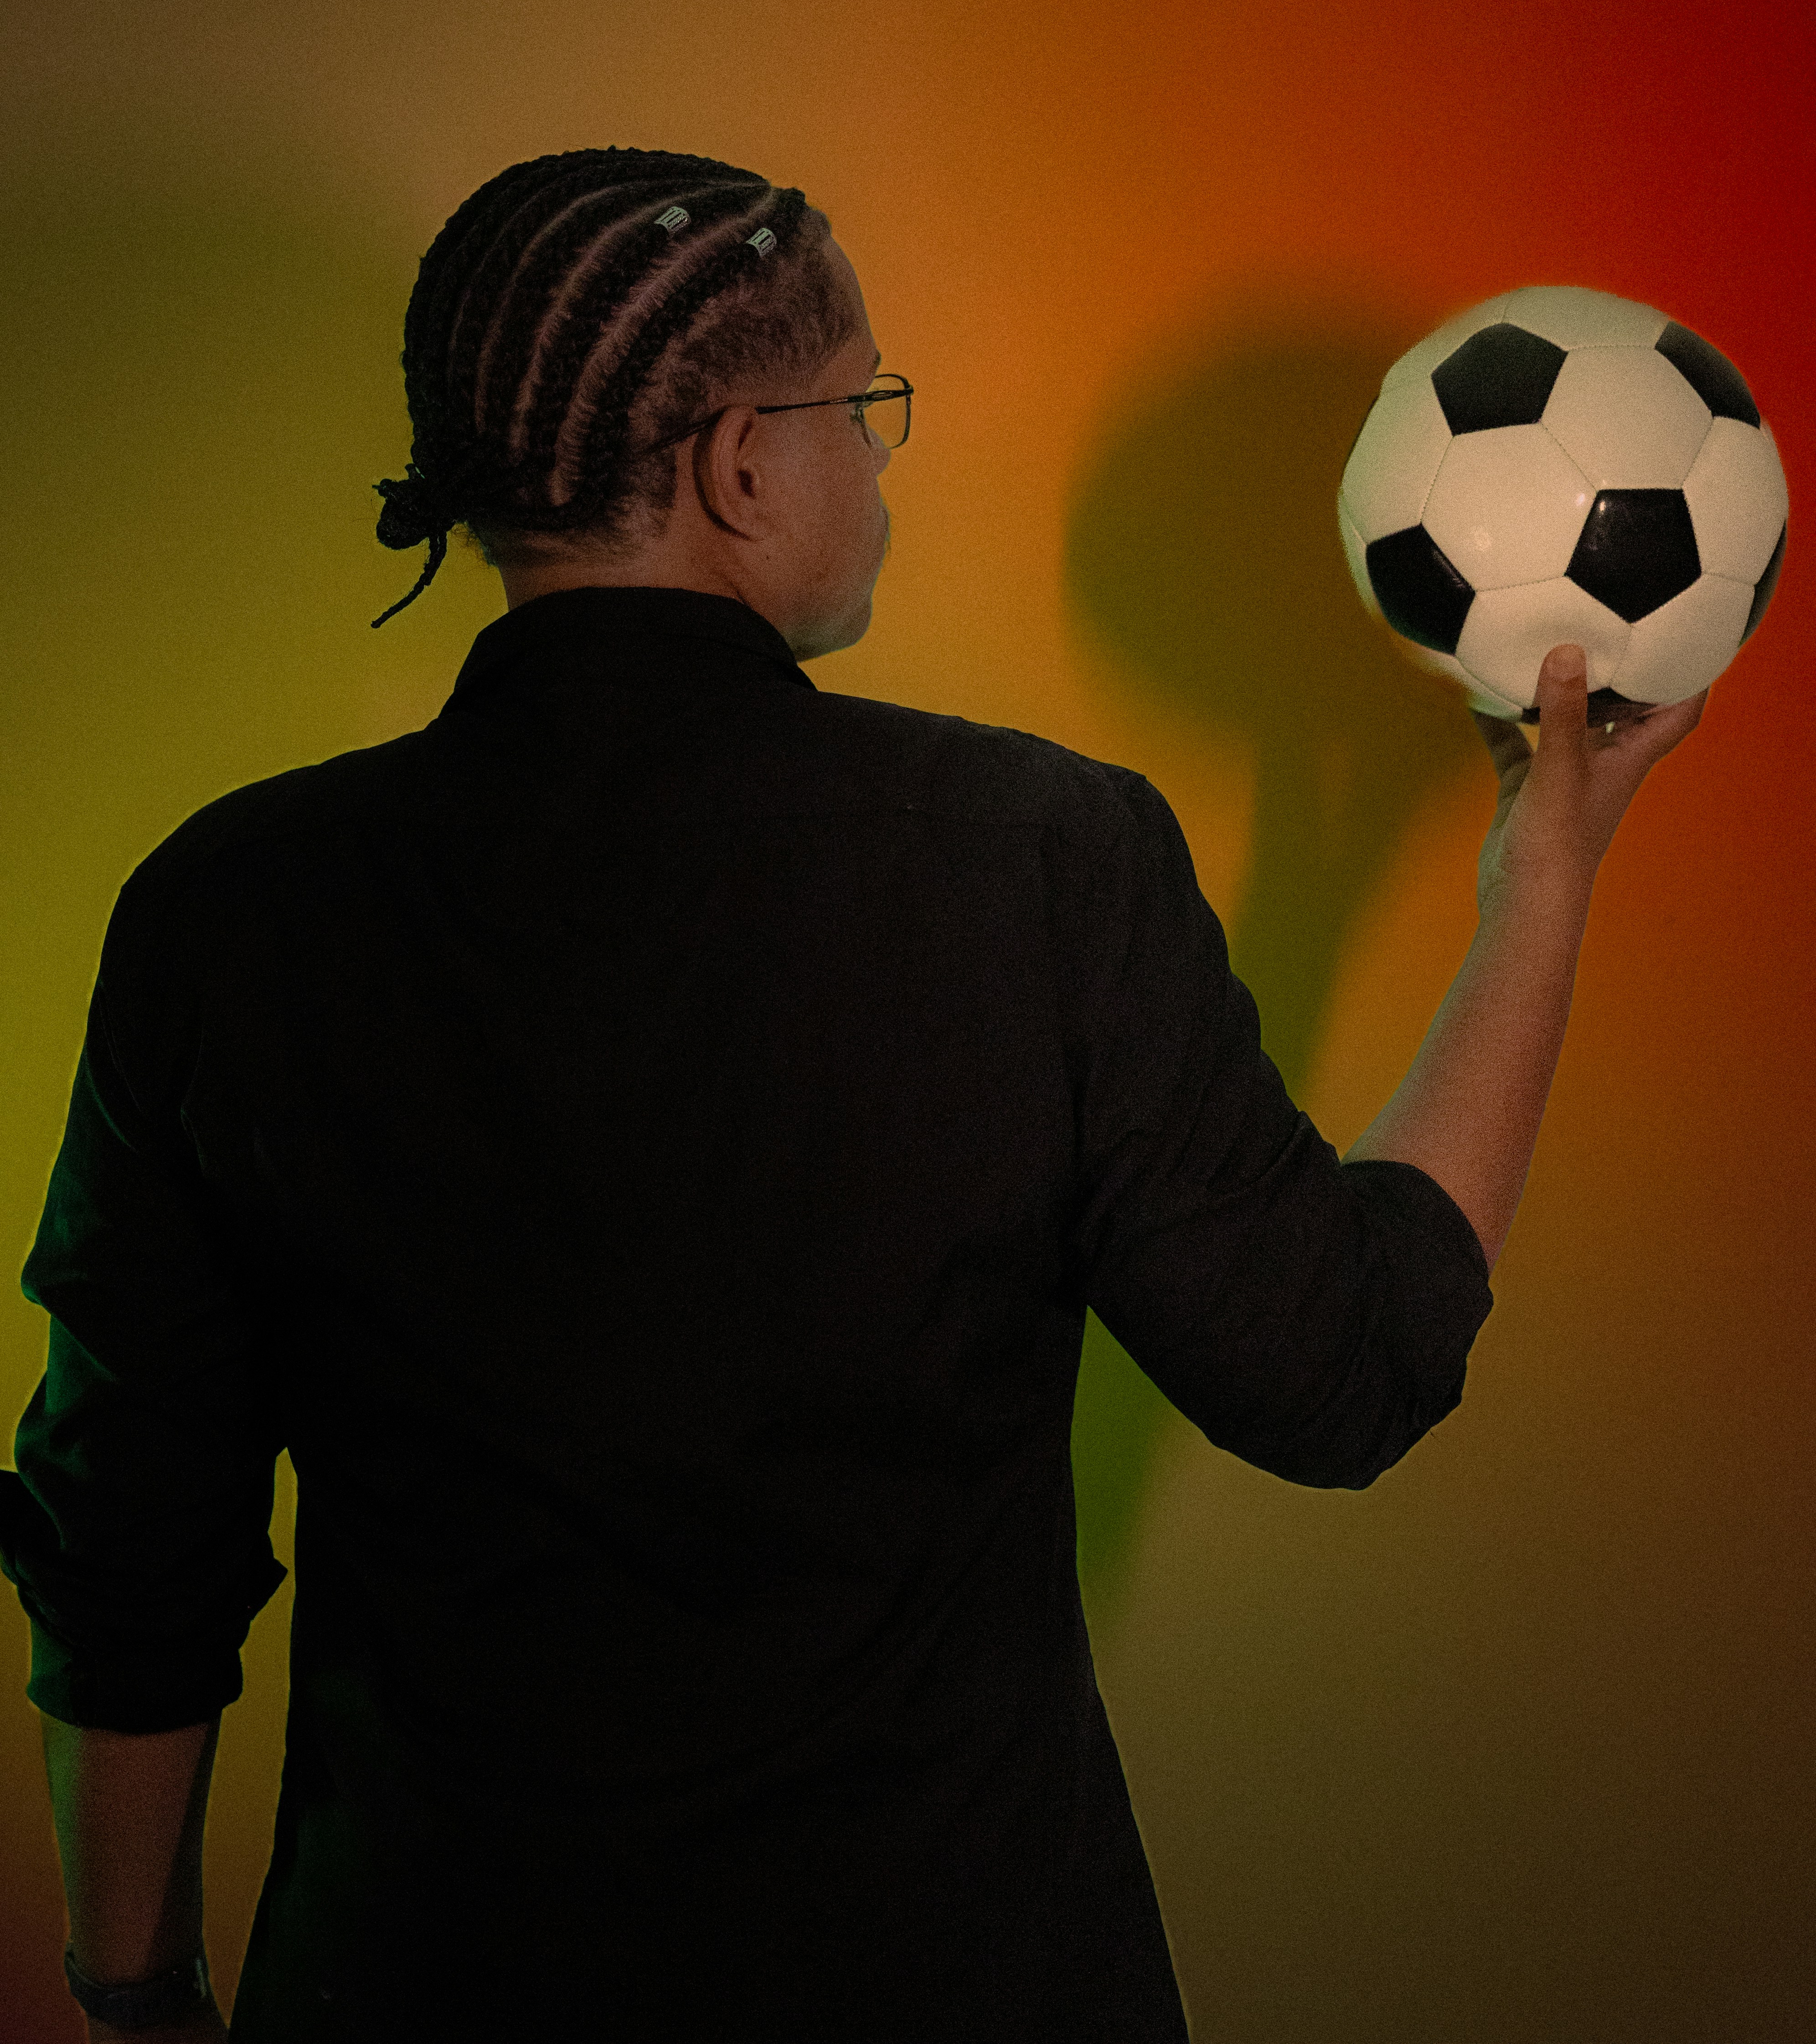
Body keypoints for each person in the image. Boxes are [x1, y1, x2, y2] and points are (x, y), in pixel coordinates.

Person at [0, 148, 1707, 2044]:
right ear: (741, 467)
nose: (880, 467)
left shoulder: (224, 913)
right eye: (863, 413)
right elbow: (1340, 1368)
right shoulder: (1039, 860)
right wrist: (1542, 872)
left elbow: (129, 1545)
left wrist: (130, 1978)